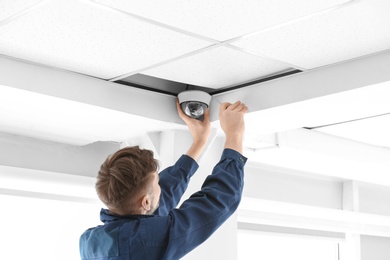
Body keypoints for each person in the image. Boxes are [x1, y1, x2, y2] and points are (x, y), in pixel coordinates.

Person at [79, 100, 248, 260]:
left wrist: (199, 143)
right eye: (157, 182)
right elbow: (219, 200)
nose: (161, 185)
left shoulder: (89, 242)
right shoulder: (146, 241)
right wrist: (235, 133)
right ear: (145, 202)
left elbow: (158, 202)